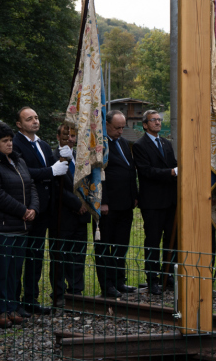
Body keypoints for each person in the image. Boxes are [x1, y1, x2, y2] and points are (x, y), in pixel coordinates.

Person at [0, 122, 39, 327]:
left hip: (20, 228)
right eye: (5, 141)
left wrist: (33, 208)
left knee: (15, 271)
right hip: (0, 228)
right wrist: (23, 211)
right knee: (1, 272)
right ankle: (0, 310)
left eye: (11, 140)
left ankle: (12, 307)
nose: (10, 144)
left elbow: (31, 186)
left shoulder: (18, 161)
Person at [11, 106, 67, 314]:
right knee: (23, 255)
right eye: (29, 119)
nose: (34, 121)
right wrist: (50, 171)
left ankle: (31, 299)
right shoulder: (15, 144)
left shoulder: (43, 144)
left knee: (36, 255)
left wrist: (63, 159)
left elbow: (56, 170)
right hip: (28, 206)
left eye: (36, 117)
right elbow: (23, 172)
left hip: (46, 207)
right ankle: (16, 301)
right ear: (19, 124)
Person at [133, 110, 178, 295]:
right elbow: (146, 171)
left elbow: (174, 165)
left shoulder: (166, 143)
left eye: (159, 120)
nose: (158, 123)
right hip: (152, 202)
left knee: (172, 240)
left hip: (170, 200)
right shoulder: (139, 145)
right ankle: (153, 279)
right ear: (145, 124)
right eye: (154, 120)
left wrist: (175, 172)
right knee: (153, 241)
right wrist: (171, 173)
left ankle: (168, 275)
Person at [95, 110, 139, 298]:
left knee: (121, 245)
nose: (120, 131)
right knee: (105, 246)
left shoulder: (122, 143)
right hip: (108, 206)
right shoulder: (100, 145)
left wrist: (134, 195)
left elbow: (130, 171)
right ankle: (107, 284)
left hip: (125, 204)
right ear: (106, 125)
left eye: (122, 127)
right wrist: (102, 202)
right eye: (117, 127)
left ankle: (120, 280)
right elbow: (98, 174)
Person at [49, 123, 90, 306]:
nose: (71, 138)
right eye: (67, 135)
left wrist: (86, 203)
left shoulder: (82, 157)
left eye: (74, 135)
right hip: (62, 214)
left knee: (78, 254)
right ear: (59, 137)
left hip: (82, 215)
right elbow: (56, 186)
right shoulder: (52, 156)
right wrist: (76, 204)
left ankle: (76, 291)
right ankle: (58, 294)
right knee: (60, 256)